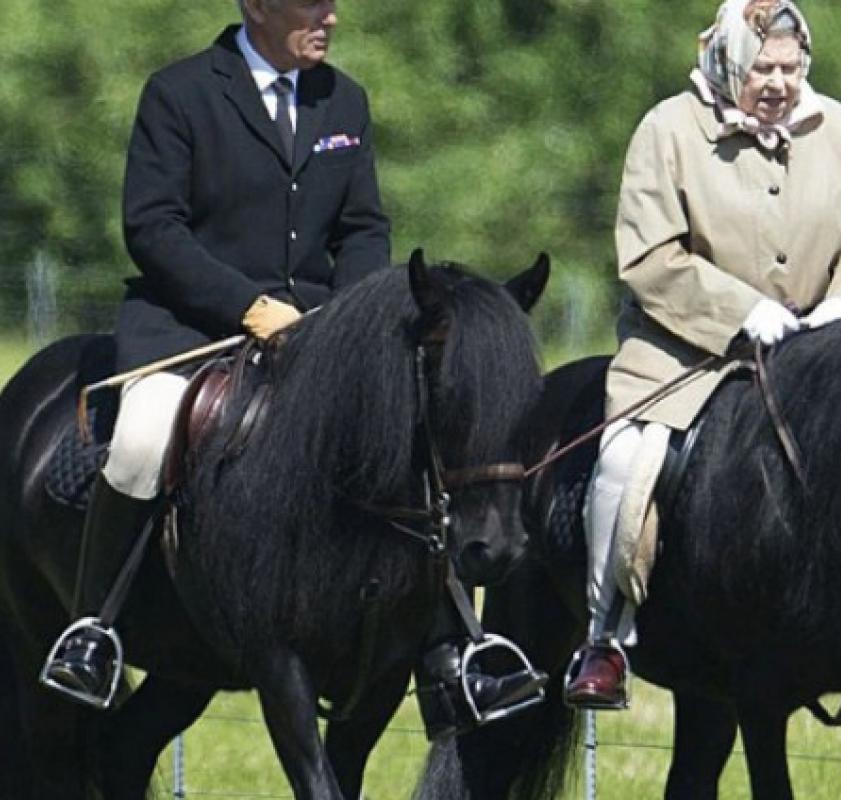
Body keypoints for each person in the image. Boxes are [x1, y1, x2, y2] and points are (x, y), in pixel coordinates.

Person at [41, 0, 543, 737]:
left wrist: (346, 326)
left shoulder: (345, 99)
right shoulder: (179, 93)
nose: (330, 17)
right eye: (312, 4)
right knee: (143, 437)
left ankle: (455, 652)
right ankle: (95, 632)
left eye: (332, 3)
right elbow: (153, 228)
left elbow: (363, 229)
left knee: (413, 442)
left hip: (317, 333)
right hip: (192, 329)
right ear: (257, 6)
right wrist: (249, 308)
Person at [563, 0, 841, 710]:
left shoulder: (840, 130)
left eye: (790, 67)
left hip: (816, 356)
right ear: (727, 63)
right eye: (762, 70)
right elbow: (649, 258)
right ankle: (605, 639)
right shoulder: (666, 129)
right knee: (626, 466)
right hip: (682, 355)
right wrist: (742, 312)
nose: (778, 83)